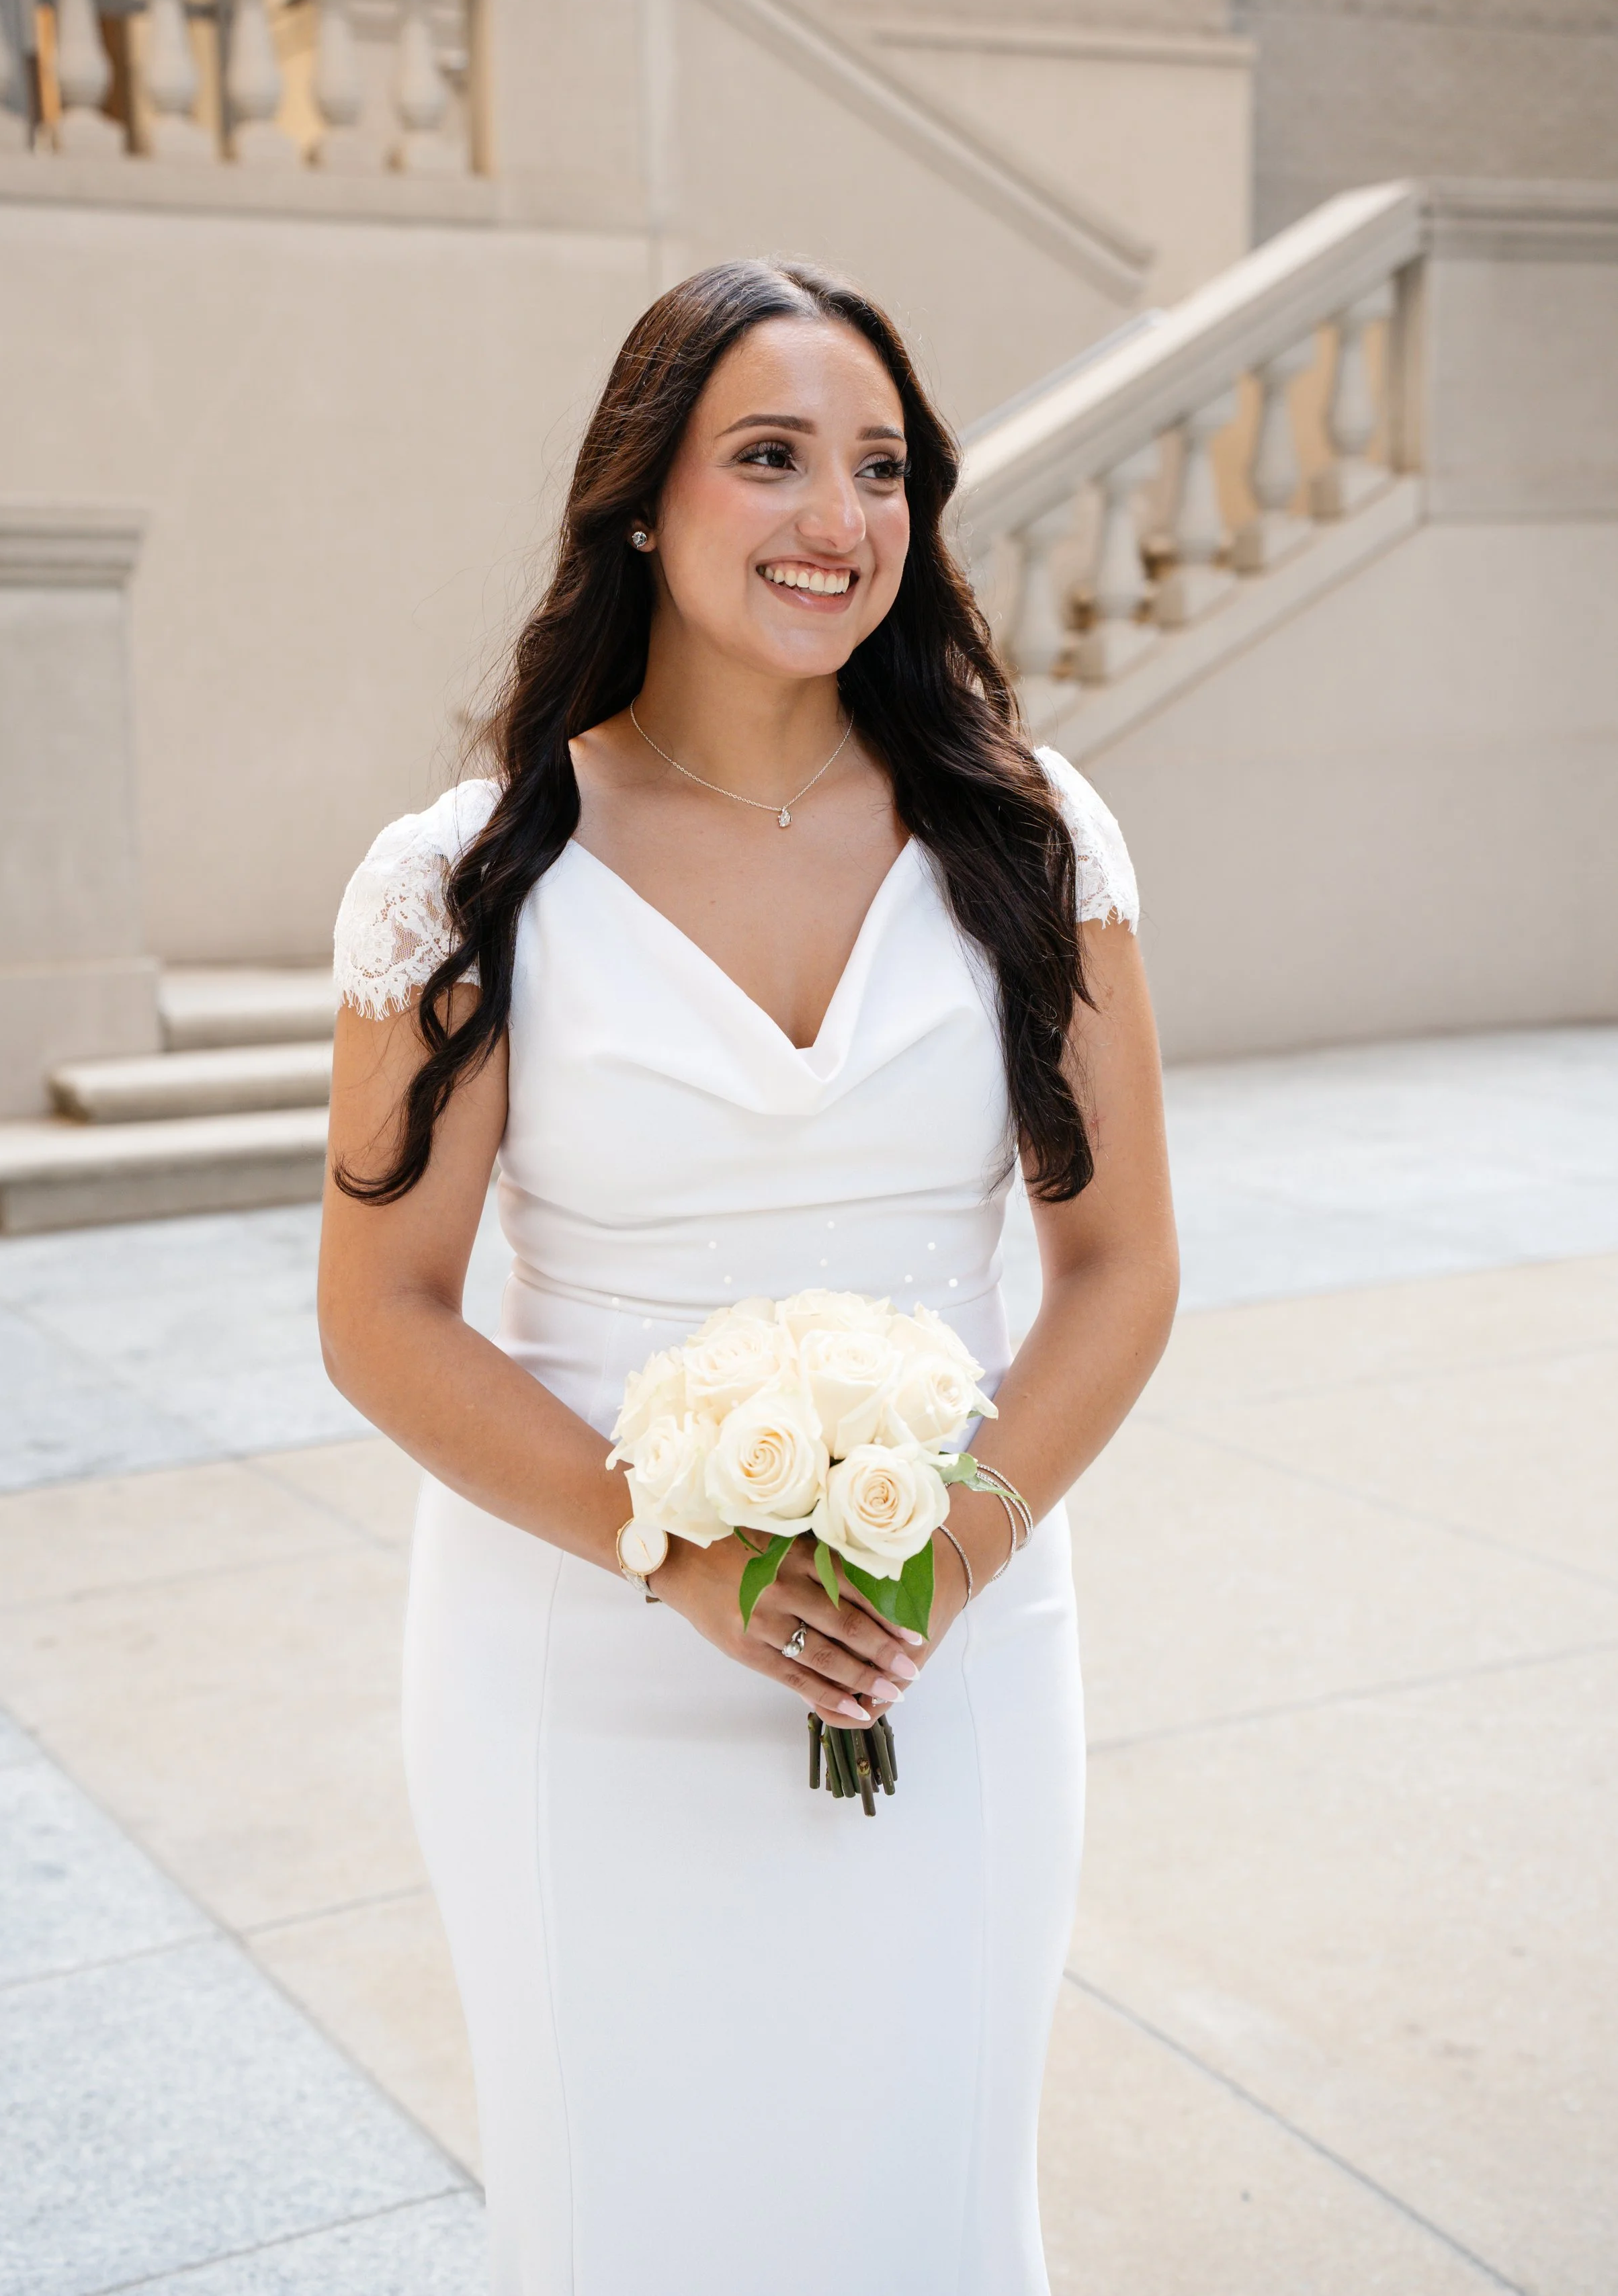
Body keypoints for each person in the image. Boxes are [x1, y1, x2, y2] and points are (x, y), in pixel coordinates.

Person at [318, 258, 1179, 2295]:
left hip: (950, 1640)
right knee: (632, 2207)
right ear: (640, 499)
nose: (837, 519)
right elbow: (383, 1311)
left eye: (877, 468)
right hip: (578, 1657)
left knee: (931, 2190)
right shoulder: (472, 875)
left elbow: (1122, 1258)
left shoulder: (1025, 837)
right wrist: (672, 1552)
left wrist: (950, 1552)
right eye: (769, 457)